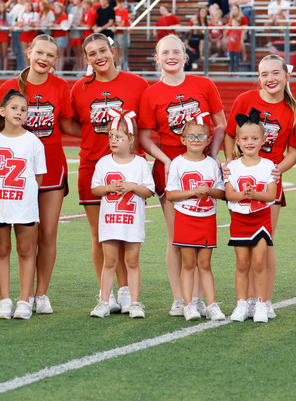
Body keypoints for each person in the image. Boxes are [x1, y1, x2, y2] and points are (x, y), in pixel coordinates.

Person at [138, 34, 226, 316]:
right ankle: (180, 297)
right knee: (176, 236)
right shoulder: (151, 93)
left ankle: (197, 298)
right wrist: (168, 161)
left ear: (185, 56)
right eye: (165, 53)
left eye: (176, 51)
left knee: (200, 236)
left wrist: (211, 156)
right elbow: (144, 137)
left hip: (202, 171)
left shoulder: (204, 84)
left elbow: (220, 124)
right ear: (157, 58)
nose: (171, 56)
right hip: (171, 172)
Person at [0, 35, 79, 314]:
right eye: (39, 52)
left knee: (48, 233)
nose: (43, 59)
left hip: (52, 164)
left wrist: (102, 134)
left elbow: (67, 124)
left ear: (56, 60)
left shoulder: (60, 86)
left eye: (50, 55)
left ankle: (40, 294)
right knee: (23, 235)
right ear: (29, 52)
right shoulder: (9, 87)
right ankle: (22, 295)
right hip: (16, 170)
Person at [71, 34, 148, 313]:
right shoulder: (79, 87)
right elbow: (71, 123)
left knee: (126, 234)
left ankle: (127, 292)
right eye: (92, 54)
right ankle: (107, 294)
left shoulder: (137, 84)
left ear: (112, 51)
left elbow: (146, 125)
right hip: (93, 166)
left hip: (128, 168)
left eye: (102, 50)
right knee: (100, 235)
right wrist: (92, 139)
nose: (98, 57)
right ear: (86, 59)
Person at [224, 55, 296, 322]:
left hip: (266, 183)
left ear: (286, 76)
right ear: (258, 77)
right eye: (264, 74)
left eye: (275, 73)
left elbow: (294, 151)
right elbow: (228, 135)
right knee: (243, 247)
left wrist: (276, 171)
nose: (270, 79)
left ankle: (264, 301)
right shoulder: (245, 100)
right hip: (241, 181)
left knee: (264, 244)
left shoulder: (293, 110)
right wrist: (230, 165)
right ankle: (243, 301)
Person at [0, 89, 47, 320]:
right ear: (2, 111)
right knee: (1, 250)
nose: (19, 112)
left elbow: (38, 178)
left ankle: (24, 300)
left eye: (24, 109)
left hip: (24, 206)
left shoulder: (33, 142)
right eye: (14, 108)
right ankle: (5, 299)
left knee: (26, 250)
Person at [89, 110, 154, 318]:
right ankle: (104, 301)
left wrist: (131, 186)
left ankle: (134, 302)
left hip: (131, 222)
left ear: (131, 139)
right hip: (109, 222)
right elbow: (95, 189)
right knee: (109, 261)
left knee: (132, 261)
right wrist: (109, 188)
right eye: (111, 136)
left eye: (119, 137)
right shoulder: (103, 163)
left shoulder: (140, 163)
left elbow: (149, 191)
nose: (113, 141)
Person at [164, 117, 227, 321]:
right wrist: (192, 192)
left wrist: (208, 191)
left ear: (208, 140)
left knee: (205, 264)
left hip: (207, 218)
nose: (196, 139)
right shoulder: (177, 163)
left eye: (201, 136)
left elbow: (222, 192)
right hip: (186, 218)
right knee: (188, 264)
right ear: (183, 140)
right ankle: (189, 304)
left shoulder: (211, 164)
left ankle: (211, 305)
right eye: (191, 136)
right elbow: (171, 195)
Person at [225, 109, 279, 323]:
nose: (250, 142)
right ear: (237, 141)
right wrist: (242, 195)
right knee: (242, 264)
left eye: (255, 138)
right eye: (245, 138)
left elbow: (271, 195)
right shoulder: (232, 167)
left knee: (259, 263)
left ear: (263, 140)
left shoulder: (269, 166)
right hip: (240, 221)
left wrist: (253, 194)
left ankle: (260, 304)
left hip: (261, 221)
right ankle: (241, 303)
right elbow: (229, 194)